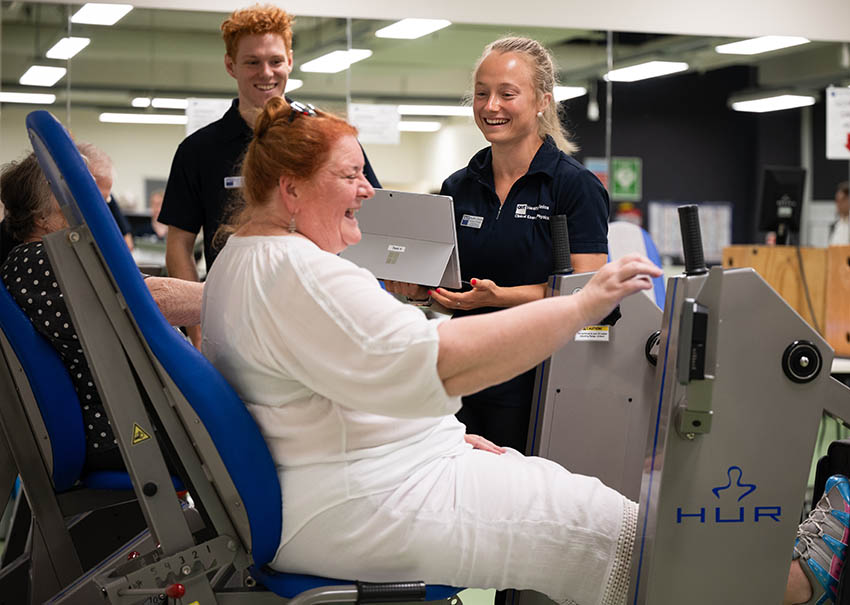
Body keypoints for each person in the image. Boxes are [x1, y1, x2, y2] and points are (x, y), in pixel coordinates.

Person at [201, 97, 850, 605]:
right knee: (618, 531)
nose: (368, 190)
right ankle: (791, 585)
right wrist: (577, 305)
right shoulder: (302, 272)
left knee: (584, 499)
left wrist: (437, 438)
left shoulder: (244, 258)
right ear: (290, 190)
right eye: (349, 176)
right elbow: (438, 359)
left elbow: (326, 388)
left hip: (354, 480)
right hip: (360, 501)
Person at [385, 37, 609, 452]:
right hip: (464, 371)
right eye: (482, 94)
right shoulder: (458, 186)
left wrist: (499, 297)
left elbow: (589, 294)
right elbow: (453, 291)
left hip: (538, 374)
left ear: (542, 100)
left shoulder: (572, 186)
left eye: (507, 94)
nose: (491, 107)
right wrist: (420, 293)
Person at [157, 4, 380, 349]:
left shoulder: (325, 139)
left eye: (275, 60)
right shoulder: (198, 151)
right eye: (252, 62)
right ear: (231, 66)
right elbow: (179, 244)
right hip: (234, 318)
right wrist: (197, 328)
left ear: (290, 60)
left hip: (318, 312)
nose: (266, 72)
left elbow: (369, 215)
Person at [0, 152, 203, 473]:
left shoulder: (44, 259)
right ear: (41, 216)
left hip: (125, 415)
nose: (91, 200)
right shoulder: (44, 261)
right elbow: (150, 300)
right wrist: (236, 296)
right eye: (72, 189)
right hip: (122, 426)